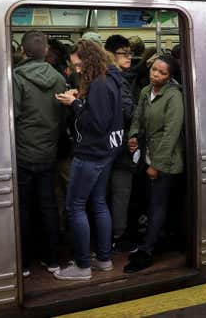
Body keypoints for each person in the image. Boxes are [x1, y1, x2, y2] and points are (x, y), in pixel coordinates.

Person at [53, 40, 124, 281]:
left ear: (91, 60)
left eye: (80, 65)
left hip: (92, 153)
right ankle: (103, 259)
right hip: (107, 151)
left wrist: (74, 104)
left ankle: (82, 266)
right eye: (75, 66)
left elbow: (96, 123)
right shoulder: (110, 77)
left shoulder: (101, 84)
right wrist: (81, 99)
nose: (78, 70)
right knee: (99, 202)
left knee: (75, 207)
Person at [13, 31, 67, 277]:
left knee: (23, 208)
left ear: (23, 51)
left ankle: (24, 264)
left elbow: (13, 116)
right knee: (48, 206)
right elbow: (63, 114)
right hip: (49, 152)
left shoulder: (16, 77)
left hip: (23, 154)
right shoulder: (58, 78)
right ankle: (52, 259)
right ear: (46, 51)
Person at [125, 55, 184, 273]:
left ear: (170, 77)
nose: (155, 75)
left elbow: (171, 133)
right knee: (149, 203)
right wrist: (132, 136)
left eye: (162, 73)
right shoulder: (145, 92)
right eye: (154, 70)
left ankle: (147, 251)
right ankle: (152, 239)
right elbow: (137, 118)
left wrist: (156, 165)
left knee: (157, 204)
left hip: (166, 161)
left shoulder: (173, 97)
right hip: (148, 154)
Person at [104, 35, 137, 251]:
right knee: (120, 192)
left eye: (130, 53)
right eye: (124, 53)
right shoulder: (118, 80)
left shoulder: (105, 77)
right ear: (111, 55)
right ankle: (117, 235)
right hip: (121, 146)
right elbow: (128, 111)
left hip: (107, 145)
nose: (129, 57)